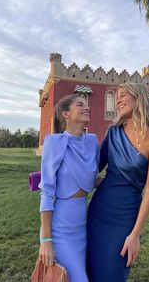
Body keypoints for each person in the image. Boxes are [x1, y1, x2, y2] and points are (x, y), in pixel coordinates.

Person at [87, 83, 149, 282]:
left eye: (123, 95)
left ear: (138, 97)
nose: (119, 101)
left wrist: (135, 235)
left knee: (112, 273)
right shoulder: (113, 132)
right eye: (116, 97)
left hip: (125, 216)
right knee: (88, 269)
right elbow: (92, 169)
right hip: (99, 210)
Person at [38, 94, 99, 282]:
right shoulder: (54, 143)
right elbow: (47, 192)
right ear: (66, 114)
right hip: (60, 229)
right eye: (80, 104)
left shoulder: (92, 142)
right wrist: (46, 241)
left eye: (87, 104)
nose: (87, 107)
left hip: (82, 225)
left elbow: (91, 179)